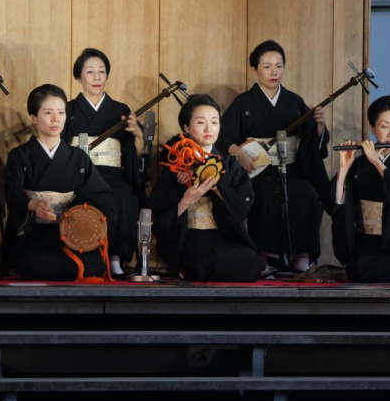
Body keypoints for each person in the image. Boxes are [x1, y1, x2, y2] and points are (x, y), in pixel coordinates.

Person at [216, 40, 329, 272]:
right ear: (254, 70)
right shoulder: (244, 102)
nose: (273, 72)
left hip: (291, 169)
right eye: (266, 66)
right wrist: (238, 152)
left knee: (306, 193)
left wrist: (319, 128)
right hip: (257, 171)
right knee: (264, 194)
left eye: (278, 66)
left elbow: (309, 142)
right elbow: (223, 135)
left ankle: (302, 254)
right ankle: (262, 254)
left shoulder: (294, 102)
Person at [3, 84, 116, 281]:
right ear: (34, 117)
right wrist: (33, 204)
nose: (56, 119)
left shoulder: (78, 158)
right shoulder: (20, 156)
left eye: (61, 112)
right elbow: (12, 193)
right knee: (37, 266)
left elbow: (101, 195)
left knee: (91, 266)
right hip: (32, 233)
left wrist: (74, 211)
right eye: (48, 113)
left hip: (71, 234)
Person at [146, 94, 263, 281]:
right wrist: (185, 201)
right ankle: (188, 267)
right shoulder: (176, 166)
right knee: (208, 261)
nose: (209, 128)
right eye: (201, 122)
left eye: (214, 122)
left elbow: (244, 204)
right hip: (190, 237)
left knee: (251, 263)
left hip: (224, 235)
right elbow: (158, 215)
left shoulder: (230, 165)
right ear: (186, 127)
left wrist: (217, 188)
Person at [330, 95, 390, 282]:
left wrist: (376, 162)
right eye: (384, 126)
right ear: (372, 128)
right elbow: (337, 206)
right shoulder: (358, 166)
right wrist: (343, 168)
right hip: (366, 254)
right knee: (358, 267)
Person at [63, 48, 144, 275]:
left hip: (112, 173)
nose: (97, 77)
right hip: (81, 174)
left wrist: (137, 133)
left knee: (125, 197)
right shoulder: (68, 110)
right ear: (78, 77)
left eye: (102, 71)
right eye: (90, 72)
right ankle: (85, 256)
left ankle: (115, 258)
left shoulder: (120, 110)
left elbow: (132, 154)